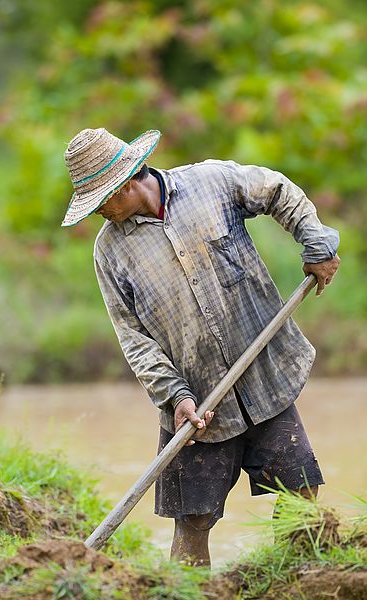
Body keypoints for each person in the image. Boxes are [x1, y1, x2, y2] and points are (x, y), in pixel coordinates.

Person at [61, 127, 340, 567]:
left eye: (100, 201)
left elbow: (277, 191)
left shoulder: (211, 182)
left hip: (264, 380)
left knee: (301, 491)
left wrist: (316, 242)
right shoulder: (110, 252)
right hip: (197, 407)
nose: (98, 212)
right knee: (192, 523)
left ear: (126, 180)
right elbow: (134, 339)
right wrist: (175, 396)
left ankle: (300, 582)